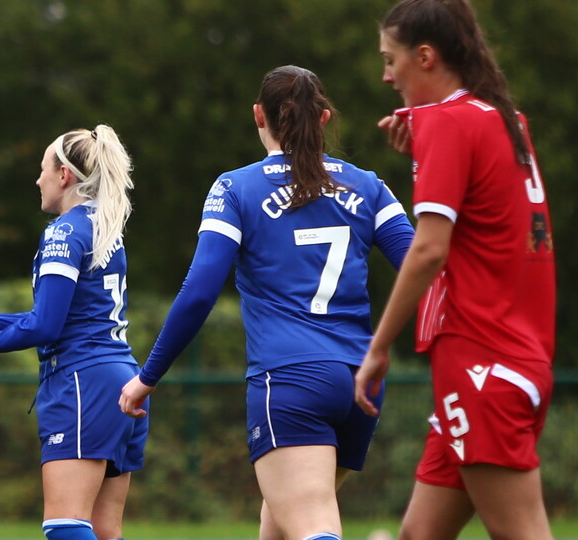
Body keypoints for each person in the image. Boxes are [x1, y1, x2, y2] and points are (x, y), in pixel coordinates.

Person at [119, 65, 415, 540]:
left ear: (259, 115)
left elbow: (198, 293)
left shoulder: (236, 188)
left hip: (292, 380)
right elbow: (424, 267)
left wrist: (147, 375)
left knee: (313, 527)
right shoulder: (369, 185)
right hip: (361, 382)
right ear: (322, 119)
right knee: (277, 526)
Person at [353, 1, 557, 539]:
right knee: (418, 535)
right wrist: (425, 143)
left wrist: (378, 348)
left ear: (425, 56)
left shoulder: (449, 122)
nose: (386, 75)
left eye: (390, 59)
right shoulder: (502, 119)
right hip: (509, 360)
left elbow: (428, 250)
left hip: (481, 364)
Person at [0, 125, 147, 540]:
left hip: (84, 383)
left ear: (64, 175)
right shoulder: (102, 228)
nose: (38, 180)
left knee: (65, 526)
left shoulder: (64, 232)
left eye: (42, 170)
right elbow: (63, 316)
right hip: (122, 379)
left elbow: (45, 326)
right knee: (104, 531)